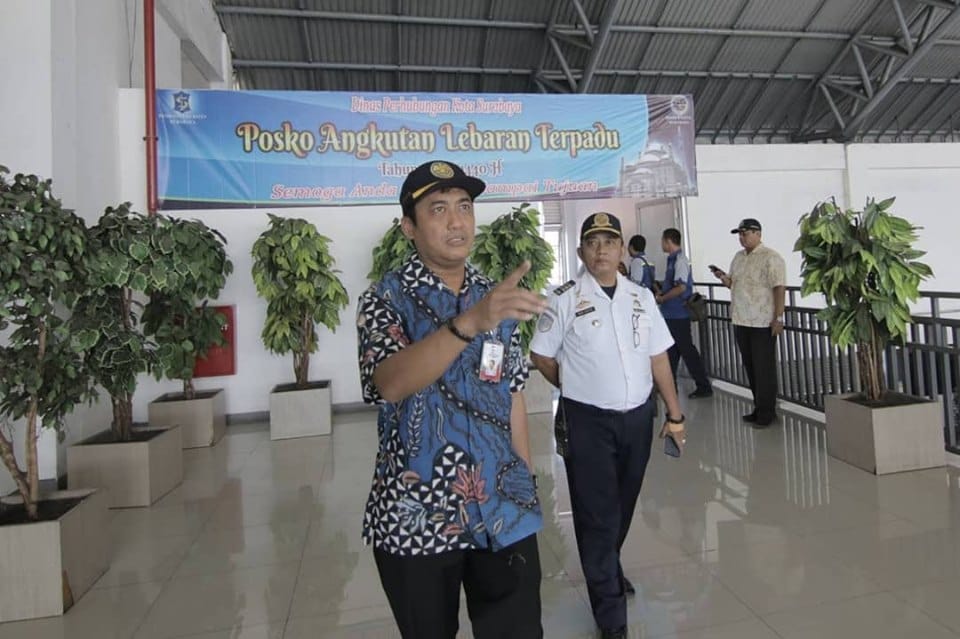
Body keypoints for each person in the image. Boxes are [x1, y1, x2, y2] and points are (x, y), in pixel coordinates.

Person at [356, 160, 547, 639]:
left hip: (503, 510)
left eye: (464, 207)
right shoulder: (385, 298)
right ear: (409, 228)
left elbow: (513, 395)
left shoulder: (495, 296)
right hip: (417, 516)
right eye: (438, 209)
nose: (457, 221)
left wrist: (523, 480)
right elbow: (390, 383)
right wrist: (469, 324)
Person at [529, 212, 687, 639]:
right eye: (592, 242)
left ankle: (608, 566)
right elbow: (541, 354)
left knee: (623, 502)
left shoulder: (641, 297)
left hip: (638, 417)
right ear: (581, 252)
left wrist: (674, 413)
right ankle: (610, 612)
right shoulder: (562, 299)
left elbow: (658, 357)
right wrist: (571, 381)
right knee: (597, 512)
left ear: (621, 251)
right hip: (588, 421)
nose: (601, 250)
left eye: (609, 242)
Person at [711, 218, 786, 427]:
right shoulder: (738, 257)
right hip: (741, 319)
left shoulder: (771, 257)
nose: (742, 238)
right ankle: (758, 407)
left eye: (745, 234)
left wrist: (778, 318)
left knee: (764, 369)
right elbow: (733, 284)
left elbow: (779, 288)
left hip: (762, 321)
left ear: (758, 234)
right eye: (740, 235)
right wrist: (722, 277)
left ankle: (767, 412)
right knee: (751, 367)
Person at [658, 228, 713, 398]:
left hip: (678, 314)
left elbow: (681, 287)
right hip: (670, 314)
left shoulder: (680, 260)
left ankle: (703, 385)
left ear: (668, 241)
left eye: (662, 240)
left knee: (686, 350)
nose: (661, 244)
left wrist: (663, 298)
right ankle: (668, 384)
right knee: (672, 351)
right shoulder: (671, 260)